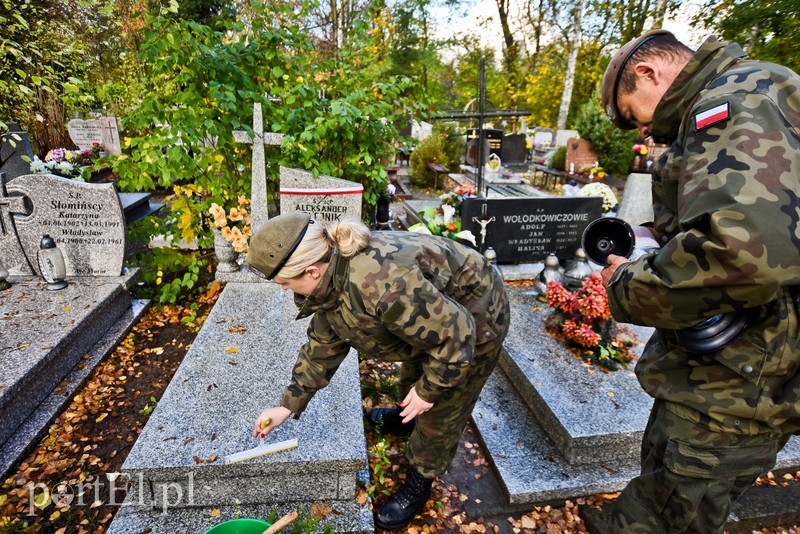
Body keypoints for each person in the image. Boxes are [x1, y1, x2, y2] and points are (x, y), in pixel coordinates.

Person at [600, 29, 800, 532]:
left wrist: (625, 284)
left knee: (676, 511)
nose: (639, 130)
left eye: (631, 113)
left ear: (648, 74)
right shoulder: (758, 87)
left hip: (740, 379)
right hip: (742, 366)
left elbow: (741, 254)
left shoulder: (733, 99)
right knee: (665, 488)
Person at [245, 213, 510, 531]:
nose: (285, 290)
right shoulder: (331, 276)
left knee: (439, 408)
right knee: (412, 382)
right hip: (437, 317)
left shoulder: (382, 285)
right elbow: (323, 346)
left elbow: (456, 335)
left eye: (285, 283)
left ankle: (419, 481)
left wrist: (430, 391)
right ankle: (405, 420)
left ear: (312, 270)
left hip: (478, 317)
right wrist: (287, 405)